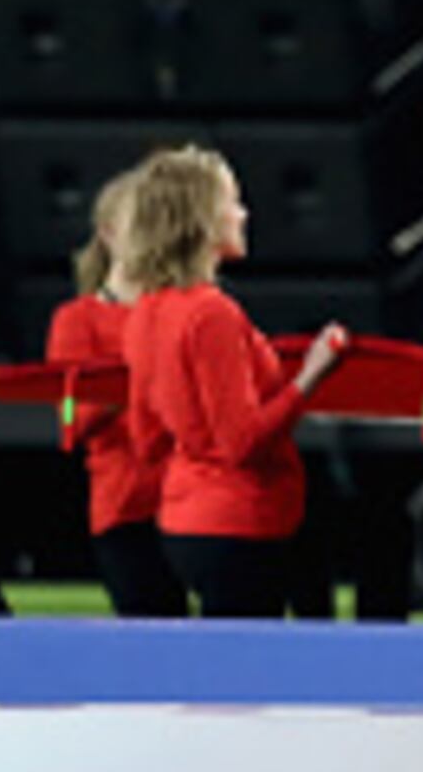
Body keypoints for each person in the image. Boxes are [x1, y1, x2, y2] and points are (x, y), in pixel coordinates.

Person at [119, 145, 350, 619]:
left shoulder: (145, 314)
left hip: (186, 525)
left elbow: (146, 438)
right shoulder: (211, 314)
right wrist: (310, 375)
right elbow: (242, 442)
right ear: (202, 220)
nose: (243, 214)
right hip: (241, 527)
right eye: (233, 202)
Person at [46, 168, 185, 620]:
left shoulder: (189, 311)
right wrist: (140, 381)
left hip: (192, 504)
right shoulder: (77, 320)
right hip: (126, 506)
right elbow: (74, 420)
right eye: (140, 221)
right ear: (108, 233)